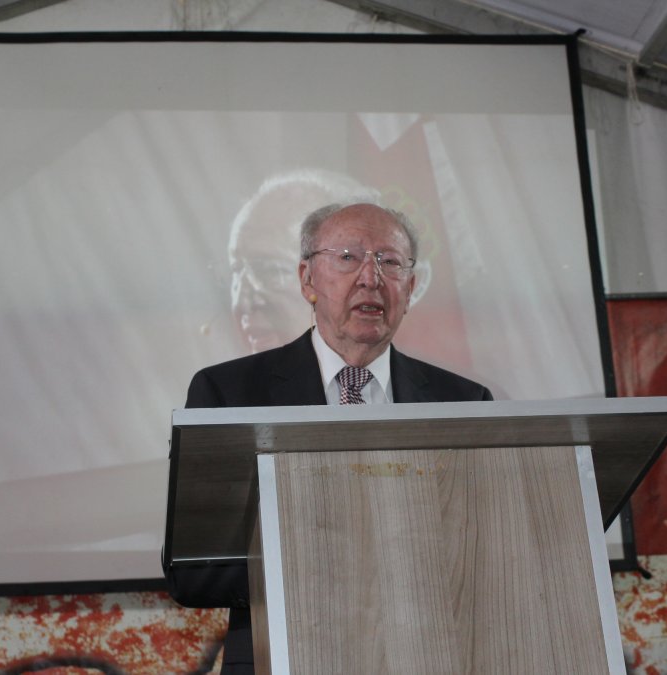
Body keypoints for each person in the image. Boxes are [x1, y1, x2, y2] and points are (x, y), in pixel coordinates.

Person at [180, 202, 492, 674]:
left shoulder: (465, 403)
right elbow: (198, 575)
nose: (371, 277)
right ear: (307, 279)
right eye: (348, 257)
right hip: (283, 657)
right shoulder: (229, 394)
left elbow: (485, 560)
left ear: (409, 287)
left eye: (390, 262)